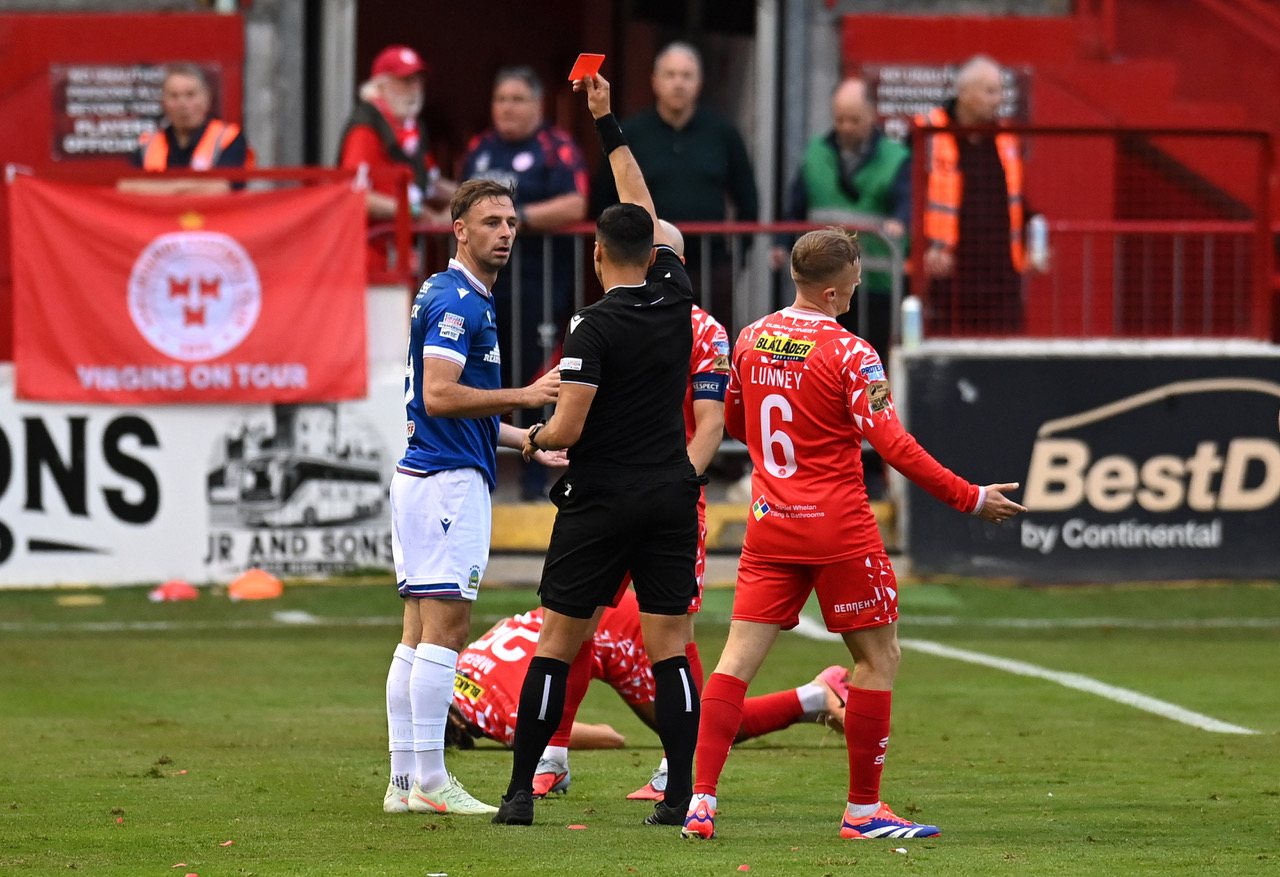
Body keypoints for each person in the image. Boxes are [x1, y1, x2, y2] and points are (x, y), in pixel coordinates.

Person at [681, 227, 1027, 841]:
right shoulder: (853, 352)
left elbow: (733, 417)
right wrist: (968, 497)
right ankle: (863, 811)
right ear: (836, 290)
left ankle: (700, 801)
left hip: (770, 523)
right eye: (858, 279)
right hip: (839, 528)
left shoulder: (752, 337)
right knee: (877, 658)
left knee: (734, 663)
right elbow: (892, 444)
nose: (860, 286)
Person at [491, 72, 701, 829]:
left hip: (604, 496)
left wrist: (536, 436)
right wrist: (609, 124)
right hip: (672, 492)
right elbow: (643, 208)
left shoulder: (594, 327)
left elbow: (569, 427)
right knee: (670, 645)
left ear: (595, 256)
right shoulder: (676, 294)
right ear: (654, 250)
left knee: (556, 640)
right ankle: (681, 794)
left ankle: (520, 792)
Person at [527, 219, 728, 800]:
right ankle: (554, 754)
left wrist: (679, 486)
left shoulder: (703, 332)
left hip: (669, 496)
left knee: (671, 630)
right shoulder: (610, 321)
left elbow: (710, 426)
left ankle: (675, 768)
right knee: (574, 624)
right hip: (609, 496)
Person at [381, 178, 562, 817]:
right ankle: (431, 779)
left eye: (511, 221)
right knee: (447, 630)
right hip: (446, 481)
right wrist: (527, 395)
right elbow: (440, 395)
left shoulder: (446, 291)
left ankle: (405, 782)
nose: (506, 232)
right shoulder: (461, 302)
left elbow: (453, 407)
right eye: (491, 222)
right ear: (460, 229)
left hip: (425, 476)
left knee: (415, 633)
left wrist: (526, 440)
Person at [448, 589, 851, 773]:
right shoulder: (457, 669)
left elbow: (610, 737)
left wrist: (519, 741)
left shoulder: (493, 715)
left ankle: (815, 696)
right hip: (588, 609)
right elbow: (503, 626)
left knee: (688, 728)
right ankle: (813, 698)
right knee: (686, 720)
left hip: (613, 628)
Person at [461, 66, 590, 500]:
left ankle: (534, 477)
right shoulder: (480, 149)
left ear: (536, 104)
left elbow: (575, 202)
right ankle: (482, 463)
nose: (507, 108)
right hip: (485, 284)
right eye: (501, 99)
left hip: (540, 281)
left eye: (517, 99)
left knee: (535, 376)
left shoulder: (557, 148)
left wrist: (518, 220)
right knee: (486, 372)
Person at [589, 42, 758, 328]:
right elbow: (601, 199)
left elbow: (747, 199)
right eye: (670, 75)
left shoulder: (723, 133)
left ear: (699, 83)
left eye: (686, 75)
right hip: (644, 265)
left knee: (711, 346)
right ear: (655, 81)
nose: (678, 83)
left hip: (709, 268)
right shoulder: (630, 133)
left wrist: (734, 261)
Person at [772, 78, 910, 360]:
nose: (846, 127)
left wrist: (900, 222)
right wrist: (779, 243)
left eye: (855, 120)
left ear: (872, 114)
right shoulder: (815, 154)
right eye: (840, 119)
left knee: (868, 364)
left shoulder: (896, 158)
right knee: (820, 364)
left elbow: (906, 205)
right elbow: (796, 206)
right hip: (822, 286)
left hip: (875, 286)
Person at [917, 55, 1028, 335]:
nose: (999, 99)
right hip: (951, 279)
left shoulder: (1004, 137)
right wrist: (927, 246)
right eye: (990, 91)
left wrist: (1035, 226)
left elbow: (1013, 200)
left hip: (1001, 278)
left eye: (1001, 91)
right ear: (965, 94)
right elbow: (912, 197)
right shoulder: (930, 132)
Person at [338, 45, 457, 225]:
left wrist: (472, 197)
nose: (415, 89)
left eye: (418, 80)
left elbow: (429, 182)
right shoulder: (364, 130)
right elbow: (355, 194)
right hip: (372, 247)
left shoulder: (413, 128)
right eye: (405, 81)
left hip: (403, 247)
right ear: (381, 86)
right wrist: (413, 210)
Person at [121, 64, 252, 196]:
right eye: (174, 96)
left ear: (207, 99)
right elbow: (127, 186)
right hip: (161, 216)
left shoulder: (227, 138)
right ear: (163, 102)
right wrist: (188, 188)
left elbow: (221, 188)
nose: (182, 104)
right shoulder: (148, 143)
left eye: (190, 95)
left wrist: (161, 189)